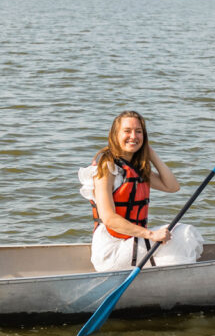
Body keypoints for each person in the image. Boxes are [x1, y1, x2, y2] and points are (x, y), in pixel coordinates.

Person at [78, 110, 184, 272]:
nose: (133, 136)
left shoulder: (136, 168)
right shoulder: (107, 168)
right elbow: (109, 218)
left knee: (180, 232)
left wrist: (152, 155)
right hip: (111, 252)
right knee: (186, 235)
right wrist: (151, 235)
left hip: (131, 244)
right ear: (115, 135)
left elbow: (172, 187)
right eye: (127, 131)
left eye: (139, 132)